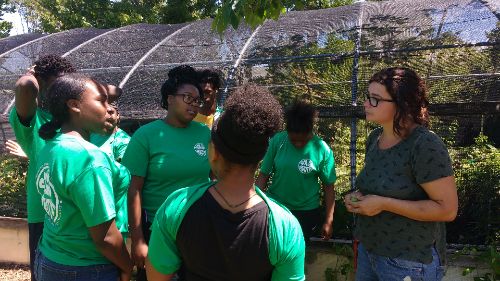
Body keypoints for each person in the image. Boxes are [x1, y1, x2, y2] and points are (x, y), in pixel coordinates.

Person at [146, 83, 306, 281]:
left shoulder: (177, 207)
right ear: (261, 158)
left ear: (213, 153)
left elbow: (156, 277)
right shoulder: (285, 227)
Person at [344, 67, 458, 281]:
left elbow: (447, 210)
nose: (366, 104)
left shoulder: (424, 144)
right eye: (367, 97)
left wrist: (383, 204)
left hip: (407, 263)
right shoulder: (375, 138)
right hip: (370, 252)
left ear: (402, 104)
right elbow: (380, 185)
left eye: (375, 99)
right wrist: (358, 197)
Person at [33, 73, 133, 281]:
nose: (109, 108)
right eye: (101, 100)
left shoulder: (50, 147)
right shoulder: (90, 159)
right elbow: (105, 236)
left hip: (49, 258)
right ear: (74, 105)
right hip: (87, 268)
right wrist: (128, 266)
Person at [122, 65, 211, 281]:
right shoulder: (146, 136)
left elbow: (214, 178)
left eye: (197, 100)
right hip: (157, 230)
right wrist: (138, 239)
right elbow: (134, 190)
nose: (193, 105)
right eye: (187, 98)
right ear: (170, 98)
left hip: (198, 228)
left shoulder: (204, 133)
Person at [9, 54, 76, 281]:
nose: (62, 90)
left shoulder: (78, 119)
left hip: (77, 214)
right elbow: (24, 87)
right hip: (44, 214)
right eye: (55, 84)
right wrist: (31, 74)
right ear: (42, 84)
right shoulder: (33, 121)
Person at [256, 101, 337, 242]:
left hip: (306, 212)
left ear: (310, 130)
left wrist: (329, 221)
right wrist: (254, 205)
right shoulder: (277, 142)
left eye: (303, 140)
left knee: (298, 252)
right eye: (294, 140)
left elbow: (329, 187)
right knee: (273, 248)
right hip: (276, 208)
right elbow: (263, 175)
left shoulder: (322, 149)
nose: (298, 144)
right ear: (287, 132)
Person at [90, 84, 131, 238]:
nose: (108, 115)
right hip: (94, 201)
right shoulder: (92, 135)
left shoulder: (123, 141)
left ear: (118, 116)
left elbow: (124, 177)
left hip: (115, 205)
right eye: (104, 112)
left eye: (112, 112)